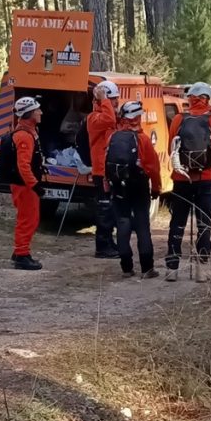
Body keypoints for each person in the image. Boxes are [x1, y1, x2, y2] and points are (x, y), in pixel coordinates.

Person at [165, 82, 211, 282]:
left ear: (190, 98)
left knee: (177, 222)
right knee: (204, 224)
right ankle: (202, 270)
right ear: (207, 99)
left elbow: (171, 149)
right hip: (206, 179)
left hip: (181, 179)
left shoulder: (178, 119)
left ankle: (172, 269)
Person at [105, 101, 162, 279]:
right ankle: (147, 268)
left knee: (123, 224)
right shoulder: (143, 139)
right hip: (139, 186)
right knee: (142, 226)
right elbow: (153, 167)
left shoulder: (113, 137)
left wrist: (108, 184)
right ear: (138, 118)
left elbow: (106, 161)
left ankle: (126, 268)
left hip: (118, 187)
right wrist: (157, 188)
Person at [7, 96, 45, 271]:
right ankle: (22, 255)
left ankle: (20, 251)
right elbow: (23, 166)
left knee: (29, 218)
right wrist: (35, 185)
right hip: (25, 186)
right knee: (27, 219)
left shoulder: (27, 132)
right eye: (37, 110)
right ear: (29, 113)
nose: (40, 112)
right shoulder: (24, 135)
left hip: (24, 185)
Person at [87, 81, 121, 258]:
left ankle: (109, 242)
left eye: (116, 99)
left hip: (111, 170)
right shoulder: (94, 118)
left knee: (111, 210)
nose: (116, 102)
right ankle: (102, 246)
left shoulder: (111, 116)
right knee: (104, 209)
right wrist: (104, 101)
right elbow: (109, 119)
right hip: (101, 172)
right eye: (113, 99)